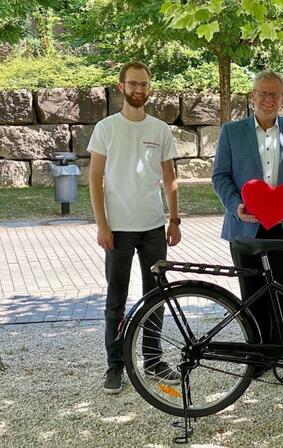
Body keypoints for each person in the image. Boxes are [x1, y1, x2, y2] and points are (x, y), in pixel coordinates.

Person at [212, 69, 283, 389]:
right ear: (252, 96)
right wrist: (236, 206)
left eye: (275, 94)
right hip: (245, 227)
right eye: (263, 93)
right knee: (252, 297)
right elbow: (221, 176)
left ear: (282, 98)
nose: (269, 99)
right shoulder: (232, 132)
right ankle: (258, 360)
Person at [88, 61, 182, 394]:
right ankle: (115, 366)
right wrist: (102, 224)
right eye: (133, 84)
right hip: (118, 229)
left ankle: (153, 359)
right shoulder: (106, 128)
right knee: (116, 299)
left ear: (149, 87)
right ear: (121, 86)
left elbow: (170, 179)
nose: (139, 90)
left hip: (154, 228)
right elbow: (95, 178)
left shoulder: (159, 129)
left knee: (155, 296)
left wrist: (174, 219)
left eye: (144, 84)